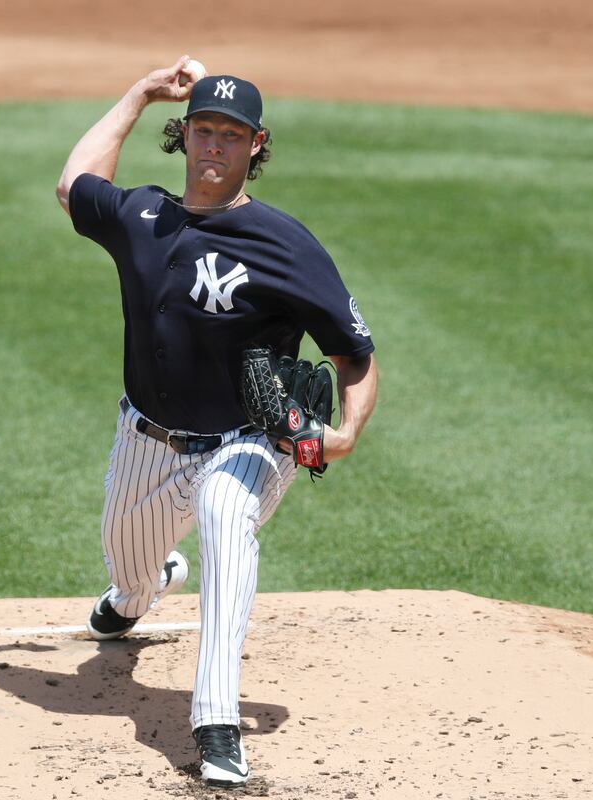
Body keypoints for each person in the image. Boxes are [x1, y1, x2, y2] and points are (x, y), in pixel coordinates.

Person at [55, 55, 378, 788]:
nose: (214, 147)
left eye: (232, 136)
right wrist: (138, 92)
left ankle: (217, 722)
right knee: (130, 569)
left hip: (248, 442)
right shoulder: (142, 218)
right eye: (204, 130)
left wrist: (347, 432)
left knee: (224, 511)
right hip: (146, 440)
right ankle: (139, 590)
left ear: (255, 147)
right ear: (185, 134)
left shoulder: (286, 245)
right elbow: (73, 184)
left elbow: (355, 356)